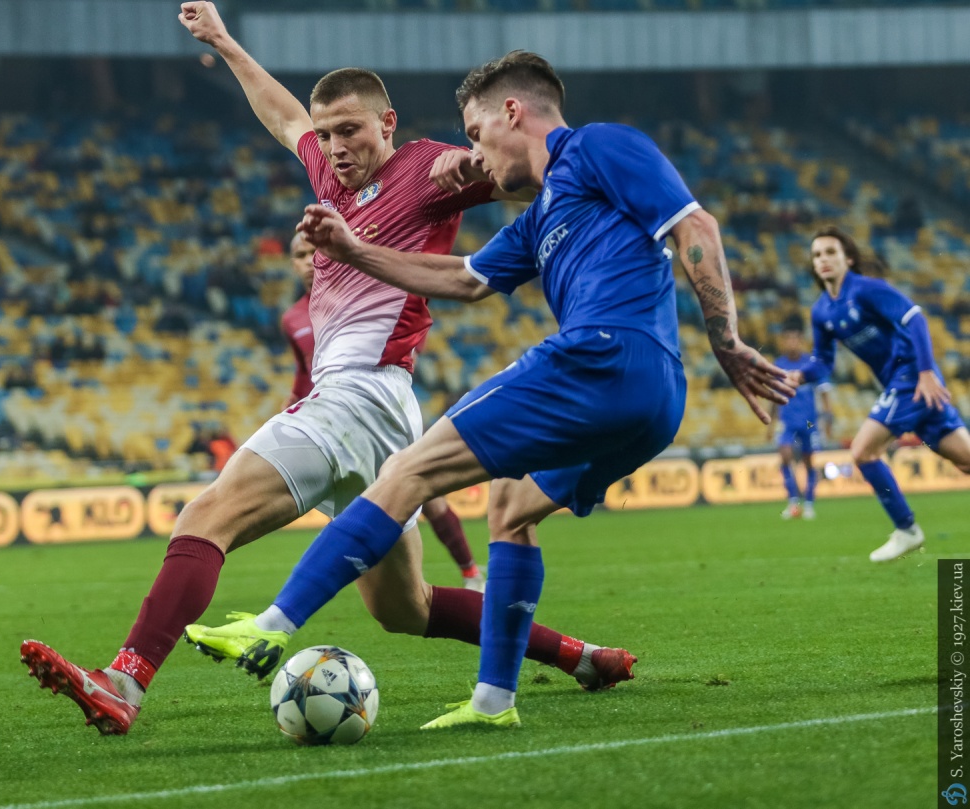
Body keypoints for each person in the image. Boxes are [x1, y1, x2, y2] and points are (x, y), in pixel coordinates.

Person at [18, 9, 634, 737]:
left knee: (206, 517)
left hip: (359, 394)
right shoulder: (327, 172)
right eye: (328, 133)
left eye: (351, 131)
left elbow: (517, 171)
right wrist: (223, 42)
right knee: (406, 608)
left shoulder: (424, 167)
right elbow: (283, 117)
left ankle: (124, 680)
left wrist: (475, 164)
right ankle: (582, 657)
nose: (337, 147)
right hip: (383, 413)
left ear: (387, 124)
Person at [276, 50, 791, 730]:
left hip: (601, 356)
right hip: (654, 401)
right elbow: (462, 280)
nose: (473, 151)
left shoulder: (598, 146)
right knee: (512, 505)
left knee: (408, 468)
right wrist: (352, 251)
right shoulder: (541, 213)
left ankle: (273, 620)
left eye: (476, 131)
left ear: (512, 112)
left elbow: (695, 225)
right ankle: (494, 702)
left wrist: (727, 341)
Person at [281, 231, 484, 589]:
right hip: (330, 420)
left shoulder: (365, 295)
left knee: (428, 496)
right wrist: (288, 412)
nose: (310, 261)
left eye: (316, 250)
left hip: (382, 408)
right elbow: (303, 372)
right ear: (291, 263)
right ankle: (378, 585)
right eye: (300, 254)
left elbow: (410, 338)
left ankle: (471, 575)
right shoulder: (293, 319)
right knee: (346, 508)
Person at [790, 225, 970, 561]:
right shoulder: (822, 311)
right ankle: (907, 530)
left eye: (830, 252)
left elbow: (915, 318)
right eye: (817, 255)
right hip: (902, 384)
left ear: (848, 258)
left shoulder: (866, 289)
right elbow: (823, 362)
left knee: (863, 452)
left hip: (912, 376)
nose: (823, 259)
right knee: (966, 460)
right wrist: (798, 376)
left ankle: (907, 529)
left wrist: (926, 372)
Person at [767, 316, 832, 520]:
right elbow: (774, 397)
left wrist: (828, 418)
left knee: (808, 461)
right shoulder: (779, 365)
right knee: (785, 456)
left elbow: (824, 392)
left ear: (801, 340)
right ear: (783, 341)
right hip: (787, 421)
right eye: (788, 339)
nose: (791, 343)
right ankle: (793, 502)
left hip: (809, 421)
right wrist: (770, 423)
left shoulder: (810, 364)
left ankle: (809, 503)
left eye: (795, 339)